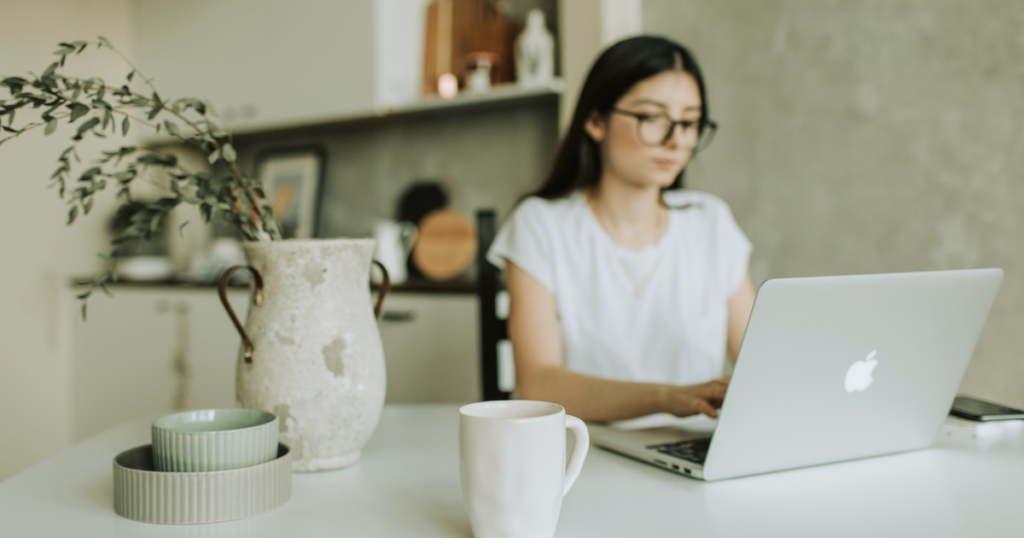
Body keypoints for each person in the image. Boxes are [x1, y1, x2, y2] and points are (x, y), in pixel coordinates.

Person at [486, 36, 756, 422]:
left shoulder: (710, 222)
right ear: (596, 121)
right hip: (583, 455)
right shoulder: (540, 227)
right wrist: (668, 397)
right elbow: (538, 385)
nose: (677, 140)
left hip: (694, 452)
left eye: (691, 122)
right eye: (652, 118)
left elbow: (757, 363)